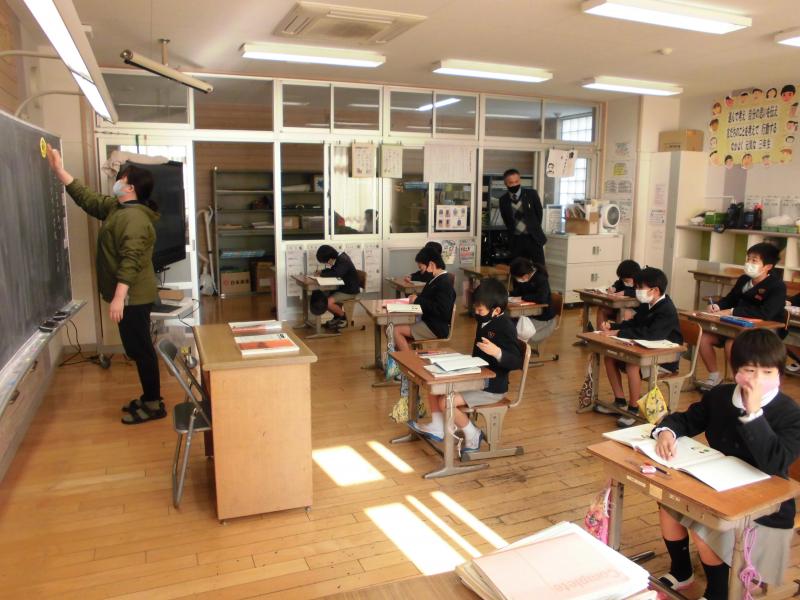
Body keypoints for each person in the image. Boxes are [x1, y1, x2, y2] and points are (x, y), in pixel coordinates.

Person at [653, 329, 800, 600]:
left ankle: (719, 592)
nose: (757, 380)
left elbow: (774, 463)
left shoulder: (790, 414)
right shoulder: (721, 396)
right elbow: (687, 420)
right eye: (749, 371)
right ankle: (681, 572)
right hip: (719, 490)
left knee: (706, 527)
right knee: (668, 503)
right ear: (735, 371)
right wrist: (666, 432)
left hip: (766, 508)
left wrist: (754, 414)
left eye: (768, 372)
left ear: (780, 374)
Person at [46, 145, 163, 425]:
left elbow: (131, 260)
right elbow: (89, 200)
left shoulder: (134, 219)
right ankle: (149, 396)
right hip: (129, 295)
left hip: (134, 296)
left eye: (121, 179)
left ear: (130, 188)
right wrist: (59, 170)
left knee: (141, 350)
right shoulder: (118, 208)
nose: (117, 181)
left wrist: (120, 297)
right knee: (137, 348)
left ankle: (154, 404)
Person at [409, 278, 523, 451]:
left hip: (491, 388)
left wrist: (498, 352)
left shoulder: (505, 326)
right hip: (476, 378)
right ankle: (438, 427)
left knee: (445, 402)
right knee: (435, 388)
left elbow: (516, 361)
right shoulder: (485, 319)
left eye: (480, 310)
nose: (476, 313)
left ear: (497, 310)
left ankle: (473, 433)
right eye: (475, 308)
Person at [598, 267, 683, 427]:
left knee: (632, 365)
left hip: (665, 359)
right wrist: (613, 326)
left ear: (655, 290)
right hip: (645, 351)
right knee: (609, 357)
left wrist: (618, 332)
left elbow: (651, 334)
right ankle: (619, 401)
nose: (637, 291)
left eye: (640, 288)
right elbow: (634, 324)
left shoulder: (666, 309)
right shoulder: (647, 304)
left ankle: (633, 409)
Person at [699, 243, 786, 388]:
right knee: (703, 337)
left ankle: (738, 383)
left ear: (768, 266)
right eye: (748, 259)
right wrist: (718, 306)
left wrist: (732, 311)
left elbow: (765, 313)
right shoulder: (744, 279)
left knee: (732, 343)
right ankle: (714, 376)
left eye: (754, 260)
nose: (749, 263)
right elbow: (730, 299)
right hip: (735, 326)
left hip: (763, 330)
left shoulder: (777, 286)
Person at [393, 247, 455, 351]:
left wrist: (417, 300)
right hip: (428, 321)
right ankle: (402, 357)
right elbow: (427, 300)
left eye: (422, 269)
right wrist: (416, 298)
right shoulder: (434, 279)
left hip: (435, 327)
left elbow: (442, 310)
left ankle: (408, 360)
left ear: (431, 265)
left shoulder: (444, 283)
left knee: (395, 330)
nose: (422, 273)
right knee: (391, 326)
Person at [498, 168, 547, 266]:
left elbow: (539, 214)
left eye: (516, 181)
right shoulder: (503, 200)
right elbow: (506, 220)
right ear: (506, 184)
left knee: (540, 267)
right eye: (511, 183)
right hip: (516, 240)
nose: (514, 185)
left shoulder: (531, 194)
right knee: (518, 268)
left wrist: (533, 227)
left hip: (533, 238)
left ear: (520, 180)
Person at [509, 257, 556, 344]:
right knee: (510, 326)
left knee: (519, 333)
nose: (517, 280)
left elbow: (542, 298)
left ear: (525, 276)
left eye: (517, 277)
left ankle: (521, 351)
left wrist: (522, 298)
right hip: (529, 315)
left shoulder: (541, 278)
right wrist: (508, 294)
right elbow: (518, 291)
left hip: (544, 319)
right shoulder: (525, 279)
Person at [316, 245, 360, 330]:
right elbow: (334, 270)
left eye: (326, 262)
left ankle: (344, 318)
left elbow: (336, 273)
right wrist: (322, 271)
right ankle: (338, 317)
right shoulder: (339, 258)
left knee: (327, 303)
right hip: (343, 288)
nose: (327, 264)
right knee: (322, 299)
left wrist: (321, 274)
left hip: (349, 290)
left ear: (330, 258)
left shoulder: (343, 260)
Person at [596, 260, 641, 330]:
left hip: (636, 309)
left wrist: (625, 292)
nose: (624, 282)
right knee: (602, 309)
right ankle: (600, 331)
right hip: (620, 305)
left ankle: (619, 333)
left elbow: (641, 292)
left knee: (623, 312)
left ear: (634, 276)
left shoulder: (642, 282)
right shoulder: (623, 279)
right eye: (623, 280)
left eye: (626, 280)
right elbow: (618, 283)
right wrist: (614, 288)